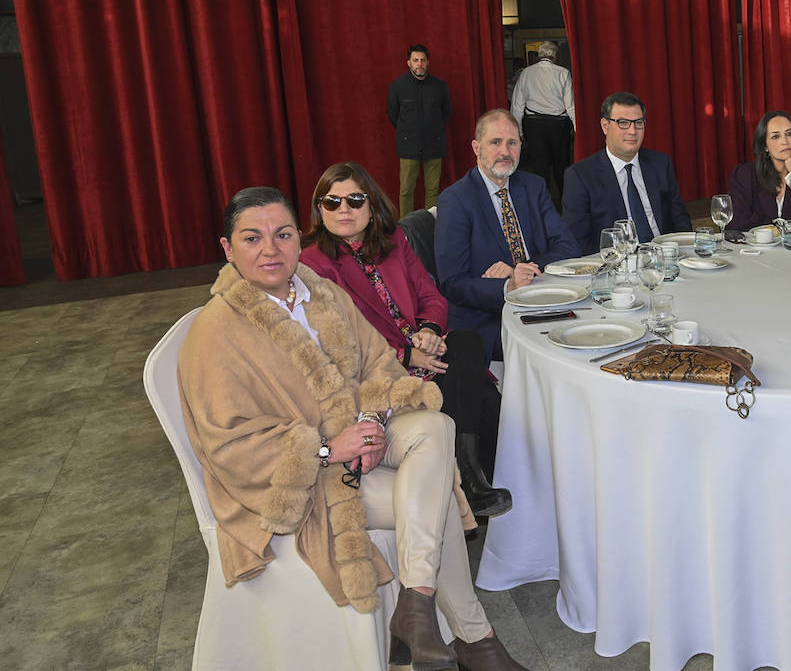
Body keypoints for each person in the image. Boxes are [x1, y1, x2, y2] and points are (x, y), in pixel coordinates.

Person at [179, 187, 525, 671]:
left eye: (281, 234)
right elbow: (229, 447)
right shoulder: (215, 334)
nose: (270, 249)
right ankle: (472, 638)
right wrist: (325, 448)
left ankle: (416, 608)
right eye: (251, 238)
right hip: (295, 480)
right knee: (437, 497)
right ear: (226, 248)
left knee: (435, 424)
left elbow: (380, 361)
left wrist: (371, 420)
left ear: (299, 238)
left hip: (360, 434)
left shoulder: (319, 291)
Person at [301, 162, 511, 517]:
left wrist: (429, 331)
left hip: (423, 349)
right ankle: (474, 484)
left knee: (467, 344)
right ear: (319, 211)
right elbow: (340, 338)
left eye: (354, 199)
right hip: (380, 373)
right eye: (331, 202)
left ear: (371, 204)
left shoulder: (393, 241)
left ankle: (474, 484)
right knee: (483, 393)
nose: (344, 210)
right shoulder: (313, 263)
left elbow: (430, 295)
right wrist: (406, 355)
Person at [435, 110, 579, 360]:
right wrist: (507, 285)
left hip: (544, 301)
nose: (505, 151)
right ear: (476, 148)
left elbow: (568, 247)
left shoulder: (534, 187)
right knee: (553, 351)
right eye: (495, 142)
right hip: (488, 315)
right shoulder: (456, 200)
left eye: (512, 143)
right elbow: (452, 283)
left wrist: (522, 270)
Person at [561, 91, 693, 255]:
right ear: (605, 126)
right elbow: (578, 240)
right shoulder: (580, 176)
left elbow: (680, 219)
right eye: (623, 123)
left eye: (638, 123)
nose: (632, 131)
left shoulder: (660, 164)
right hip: (618, 266)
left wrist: (680, 253)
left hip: (666, 258)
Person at [726, 111, 791, 230]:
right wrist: (780, 228)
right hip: (757, 248)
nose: (785, 141)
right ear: (765, 146)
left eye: (789, 134)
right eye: (775, 136)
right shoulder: (743, 174)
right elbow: (737, 223)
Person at [387, 43, 453, 216]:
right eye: (415, 60)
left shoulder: (440, 86)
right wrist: (408, 132)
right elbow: (393, 115)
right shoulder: (397, 87)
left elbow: (446, 113)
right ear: (408, 62)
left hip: (434, 144)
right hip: (408, 145)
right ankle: (406, 228)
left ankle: (430, 225)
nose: (419, 64)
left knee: (433, 189)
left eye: (423, 60)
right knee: (406, 190)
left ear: (428, 62)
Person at [510, 41, 576, 207]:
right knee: (562, 165)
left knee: (540, 167)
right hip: (559, 125)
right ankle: (565, 204)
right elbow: (570, 105)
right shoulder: (563, 73)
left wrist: (517, 131)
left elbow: (517, 104)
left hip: (534, 125)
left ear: (540, 55)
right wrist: (577, 128)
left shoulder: (526, 73)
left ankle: (542, 206)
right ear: (554, 55)